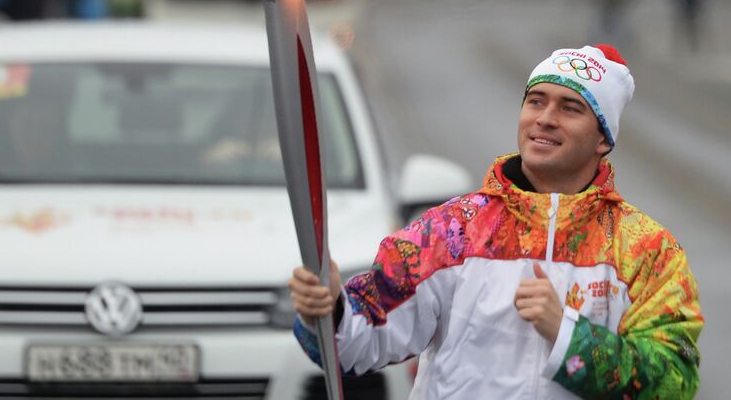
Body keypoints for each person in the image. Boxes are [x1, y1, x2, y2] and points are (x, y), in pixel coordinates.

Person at [288, 44, 703, 399]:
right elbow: (356, 344)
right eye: (536, 101)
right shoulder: (451, 232)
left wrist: (569, 336)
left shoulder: (645, 250)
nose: (545, 118)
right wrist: (328, 311)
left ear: (603, 138)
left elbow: (674, 382)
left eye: (570, 108)